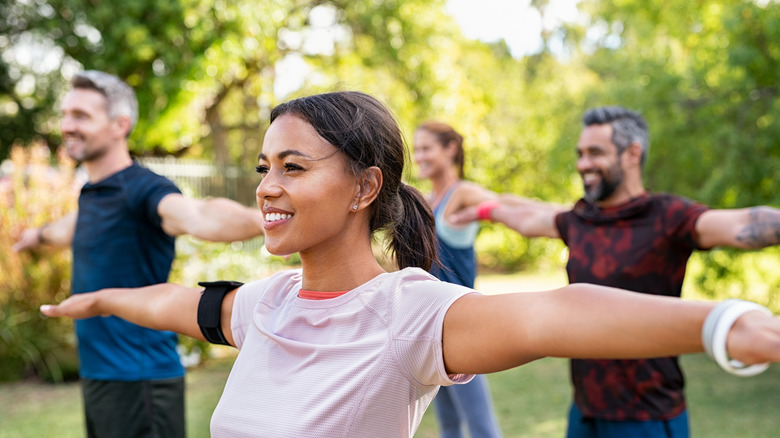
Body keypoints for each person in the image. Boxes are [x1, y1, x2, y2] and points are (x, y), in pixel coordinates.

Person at [38, 93, 780, 438]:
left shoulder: (409, 314)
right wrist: (100, 298)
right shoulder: (266, 306)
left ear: (365, 187)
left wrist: (726, 323)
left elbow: (556, 313)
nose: (266, 186)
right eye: (265, 167)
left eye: (293, 167)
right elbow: (177, 302)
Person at [449, 105, 780, 438]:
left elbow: (740, 223)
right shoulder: (579, 218)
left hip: (647, 416)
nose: (583, 164)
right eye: (580, 154)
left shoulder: (669, 216)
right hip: (585, 412)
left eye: (595, 153)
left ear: (632, 154)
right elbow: (528, 218)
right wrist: (483, 210)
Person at [13, 70, 264, 438]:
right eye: (66, 114)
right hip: (100, 376)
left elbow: (198, 215)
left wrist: (264, 220)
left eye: (81, 116)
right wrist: (34, 236)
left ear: (120, 125)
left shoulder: (144, 189)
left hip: (141, 380)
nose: (67, 125)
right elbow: (68, 228)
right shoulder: (94, 194)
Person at [413, 121, 502, 438]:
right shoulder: (426, 200)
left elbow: (504, 204)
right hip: (432, 328)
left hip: (464, 327)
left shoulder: (462, 193)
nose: (418, 155)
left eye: (426, 148)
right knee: (449, 425)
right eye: (416, 148)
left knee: (481, 427)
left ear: (450, 149)